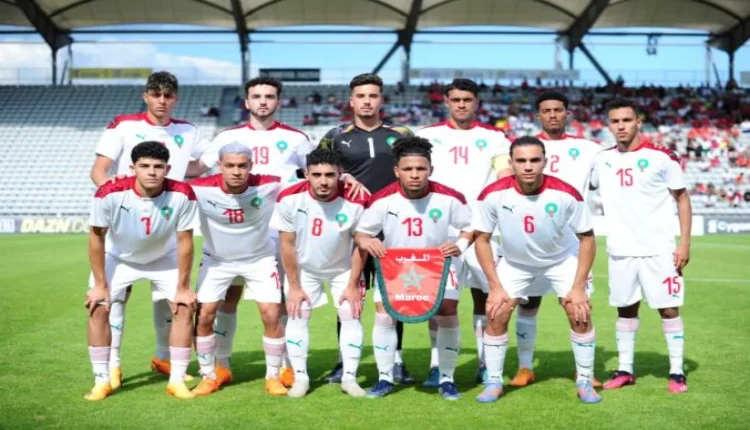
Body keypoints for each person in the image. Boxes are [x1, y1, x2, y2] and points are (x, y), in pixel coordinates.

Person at [195, 76, 366, 389]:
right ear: (246, 101)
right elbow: (196, 170)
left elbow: (318, 168)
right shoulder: (227, 137)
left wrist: (348, 178)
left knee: (284, 301)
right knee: (227, 299)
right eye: (257, 96)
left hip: (284, 230)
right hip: (243, 229)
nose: (263, 101)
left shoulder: (296, 138)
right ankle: (221, 365)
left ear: (278, 101)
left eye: (269, 96)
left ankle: (287, 366)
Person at [89, 71, 206, 389]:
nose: (162, 100)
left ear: (176, 98)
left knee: (171, 301)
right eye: (156, 94)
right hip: (129, 223)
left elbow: (193, 167)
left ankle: (164, 359)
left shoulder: (188, 130)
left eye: (168, 95)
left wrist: (215, 162)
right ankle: (112, 366)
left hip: (168, 221)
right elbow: (99, 170)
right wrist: (116, 197)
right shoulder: (124, 125)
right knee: (115, 298)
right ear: (146, 96)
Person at [473, 136, 600, 404]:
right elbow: (482, 240)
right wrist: (494, 286)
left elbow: (588, 239)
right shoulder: (492, 194)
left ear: (545, 161)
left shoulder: (566, 193)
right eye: (521, 161)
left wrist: (578, 287)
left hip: (560, 260)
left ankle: (585, 380)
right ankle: (494, 381)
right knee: (496, 312)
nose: (528, 166)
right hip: (515, 263)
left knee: (579, 312)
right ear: (511, 163)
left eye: (534, 160)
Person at [355, 136, 472, 400]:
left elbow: (469, 228)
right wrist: (369, 241)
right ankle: (385, 378)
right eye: (408, 169)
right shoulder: (382, 199)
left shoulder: (450, 197)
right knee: (384, 315)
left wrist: (460, 245)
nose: (415, 174)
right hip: (396, 267)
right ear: (397, 171)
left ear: (431, 169)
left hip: (438, 264)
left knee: (447, 312)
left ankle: (446, 378)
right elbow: (361, 233)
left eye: (421, 168)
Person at [319, 73, 415, 384]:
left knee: (392, 298)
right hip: (351, 228)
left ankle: (396, 359)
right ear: (351, 101)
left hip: (392, 227)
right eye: (361, 96)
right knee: (349, 296)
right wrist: (343, 176)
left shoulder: (402, 134)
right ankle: (345, 360)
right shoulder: (335, 136)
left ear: (381, 100)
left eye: (373, 95)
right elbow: (315, 171)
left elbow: (417, 168)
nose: (367, 101)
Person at [591, 98, 691, 394]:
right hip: (620, 250)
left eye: (626, 120)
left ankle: (676, 372)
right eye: (615, 121)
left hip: (659, 249)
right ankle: (625, 370)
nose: (621, 126)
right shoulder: (601, 159)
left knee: (668, 310)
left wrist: (684, 243)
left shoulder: (662, 157)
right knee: (625, 311)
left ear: (638, 122)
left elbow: (682, 199)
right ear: (608, 125)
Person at [416, 78, 512, 386]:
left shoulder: (494, 137)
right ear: (446, 102)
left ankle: (485, 362)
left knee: (487, 297)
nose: (461, 104)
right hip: (441, 231)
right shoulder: (427, 135)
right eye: (455, 99)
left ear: (476, 103)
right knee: (442, 302)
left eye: (467, 99)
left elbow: (504, 177)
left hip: (483, 232)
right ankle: (436, 365)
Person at [84, 141, 198, 401]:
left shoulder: (183, 193)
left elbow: (185, 240)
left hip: (163, 259)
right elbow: (96, 237)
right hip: (119, 258)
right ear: (132, 168)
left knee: (184, 307)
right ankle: (102, 379)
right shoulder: (109, 192)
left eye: (158, 166)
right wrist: (100, 284)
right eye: (144, 166)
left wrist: (183, 287)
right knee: (97, 306)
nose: (152, 172)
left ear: (168, 169)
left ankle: (177, 381)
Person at [507, 91, 604, 388]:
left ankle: (584, 372)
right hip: (531, 241)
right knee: (528, 305)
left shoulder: (589, 149)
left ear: (567, 113)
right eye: (546, 110)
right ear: (538, 115)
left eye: (558, 110)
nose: (552, 115)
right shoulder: (524, 148)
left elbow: (611, 170)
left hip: (572, 244)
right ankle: (525, 368)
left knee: (577, 305)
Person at [188, 143, 287, 397]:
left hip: (260, 260)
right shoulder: (199, 188)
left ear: (251, 165)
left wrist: (344, 178)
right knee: (205, 315)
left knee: (271, 314)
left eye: (242, 166)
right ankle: (210, 374)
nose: (236, 171)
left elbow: (309, 184)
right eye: (230, 165)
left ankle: (273, 376)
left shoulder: (270, 184)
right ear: (219, 166)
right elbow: (162, 187)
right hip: (217, 261)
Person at [271, 147, 370, 398]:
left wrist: (353, 284)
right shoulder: (289, 198)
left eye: (329, 175)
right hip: (305, 270)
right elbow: (287, 244)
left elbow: (360, 244)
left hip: (343, 269)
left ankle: (349, 378)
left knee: (351, 316)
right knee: (297, 316)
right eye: (316, 175)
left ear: (340, 173)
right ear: (306, 174)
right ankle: (301, 378)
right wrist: (294, 287)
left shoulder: (357, 198)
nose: (323, 181)